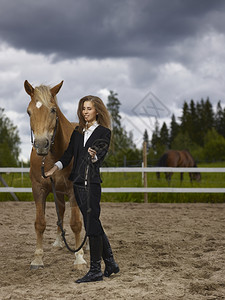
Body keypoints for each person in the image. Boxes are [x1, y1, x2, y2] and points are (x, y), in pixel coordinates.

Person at [45, 95, 119, 283]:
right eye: (83, 108)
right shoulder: (77, 132)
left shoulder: (104, 132)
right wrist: (54, 168)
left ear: (97, 111)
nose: (85, 112)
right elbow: (69, 154)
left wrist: (93, 156)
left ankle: (95, 269)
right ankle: (110, 263)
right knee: (93, 223)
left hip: (91, 184)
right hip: (77, 184)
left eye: (89, 108)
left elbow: (99, 156)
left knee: (91, 224)